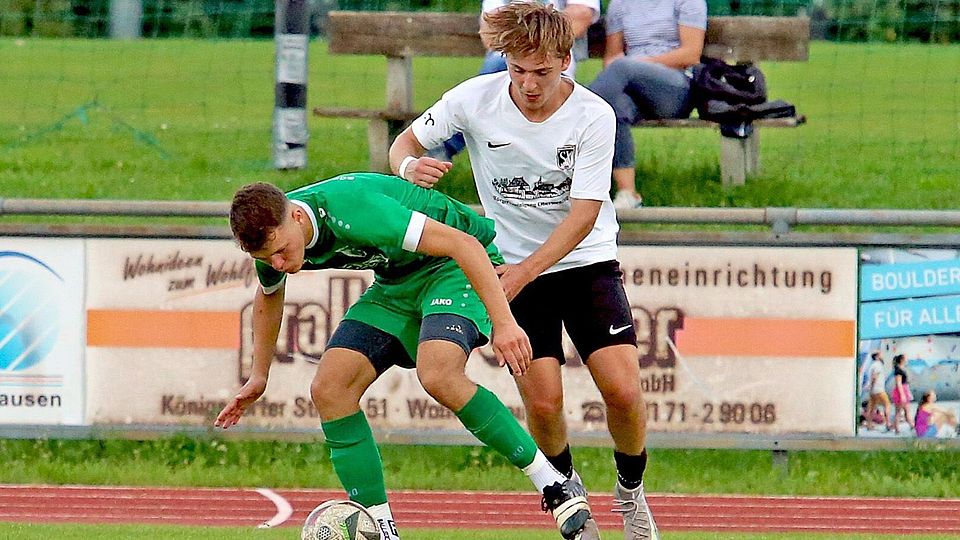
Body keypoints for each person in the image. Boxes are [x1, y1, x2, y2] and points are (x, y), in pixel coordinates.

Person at [388, 3, 657, 539]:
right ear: (504, 60)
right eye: (517, 69)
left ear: (566, 60)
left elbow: (584, 214)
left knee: (623, 392)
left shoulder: (593, 115)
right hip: (510, 267)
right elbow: (406, 143)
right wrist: (406, 167)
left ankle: (631, 493)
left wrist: (526, 271)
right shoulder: (473, 99)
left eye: (542, 71)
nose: (529, 84)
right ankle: (569, 492)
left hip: (583, 264)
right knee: (542, 400)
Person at [213, 175, 595, 540]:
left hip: (452, 266)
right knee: (330, 389)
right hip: (395, 283)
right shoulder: (271, 233)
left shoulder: (355, 209)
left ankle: (555, 483)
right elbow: (269, 294)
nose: (278, 264)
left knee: (438, 373)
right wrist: (258, 376)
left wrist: (505, 324)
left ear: (296, 215)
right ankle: (380, 529)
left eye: (281, 252)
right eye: (268, 258)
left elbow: (465, 245)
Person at [435, 0, 600, 161]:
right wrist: (537, 35)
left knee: (495, 73)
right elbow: (490, 31)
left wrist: (525, 38)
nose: (529, 83)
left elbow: (581, 16)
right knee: (499, 64)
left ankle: (442, 146)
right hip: (505, 61)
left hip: (553, 64)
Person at [588, 0, 707, 209]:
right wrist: (628, 69)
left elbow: (691, 54)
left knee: (623, 67)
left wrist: (638, 65)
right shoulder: (620, 4)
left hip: (676, 87)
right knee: (615, 106)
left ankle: (575, 115)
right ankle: (628, 193)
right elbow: (611, 57)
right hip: (633, 86)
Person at [865, 352, 892, 431]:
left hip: (873, 390)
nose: (882, 356)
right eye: (880, 355)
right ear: (877, 357)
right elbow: (875, 376)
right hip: (879, 389)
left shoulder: (872, 365)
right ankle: (887, 423)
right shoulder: (878, 365)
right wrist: (871, 385)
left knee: (871, 407)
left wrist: (870, 387)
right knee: (887, 404)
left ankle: (869, 425)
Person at [890, 354, 914, 434]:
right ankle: (908, 426)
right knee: (899, 411)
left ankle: (911, 425)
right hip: (902, 390)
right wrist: (902, 394)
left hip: (904, 389)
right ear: (902, 360)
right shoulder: (898, 371)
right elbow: (898, 383)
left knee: (905, 410)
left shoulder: (901, 369)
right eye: (905, 359)